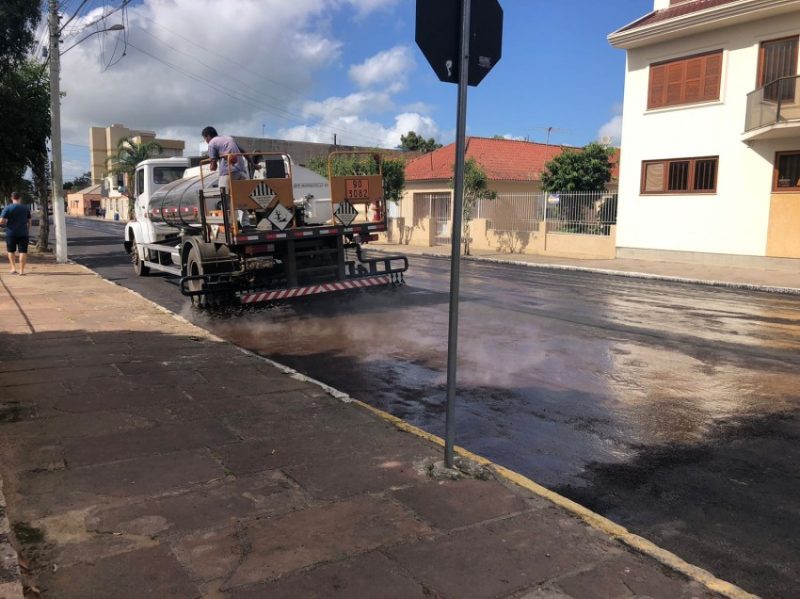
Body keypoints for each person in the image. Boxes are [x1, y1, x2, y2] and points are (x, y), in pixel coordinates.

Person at [0, 192, 32, 275]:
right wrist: (27, 230)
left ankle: (13, 268)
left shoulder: (8, 208)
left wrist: (5, 223)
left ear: (12, 198)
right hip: (23, 233)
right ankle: (21, 271)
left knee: (11, 251)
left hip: (11, 233)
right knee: (23, 252)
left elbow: (1, 221)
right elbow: (29, 221)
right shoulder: (25, 208)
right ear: (20, 198)